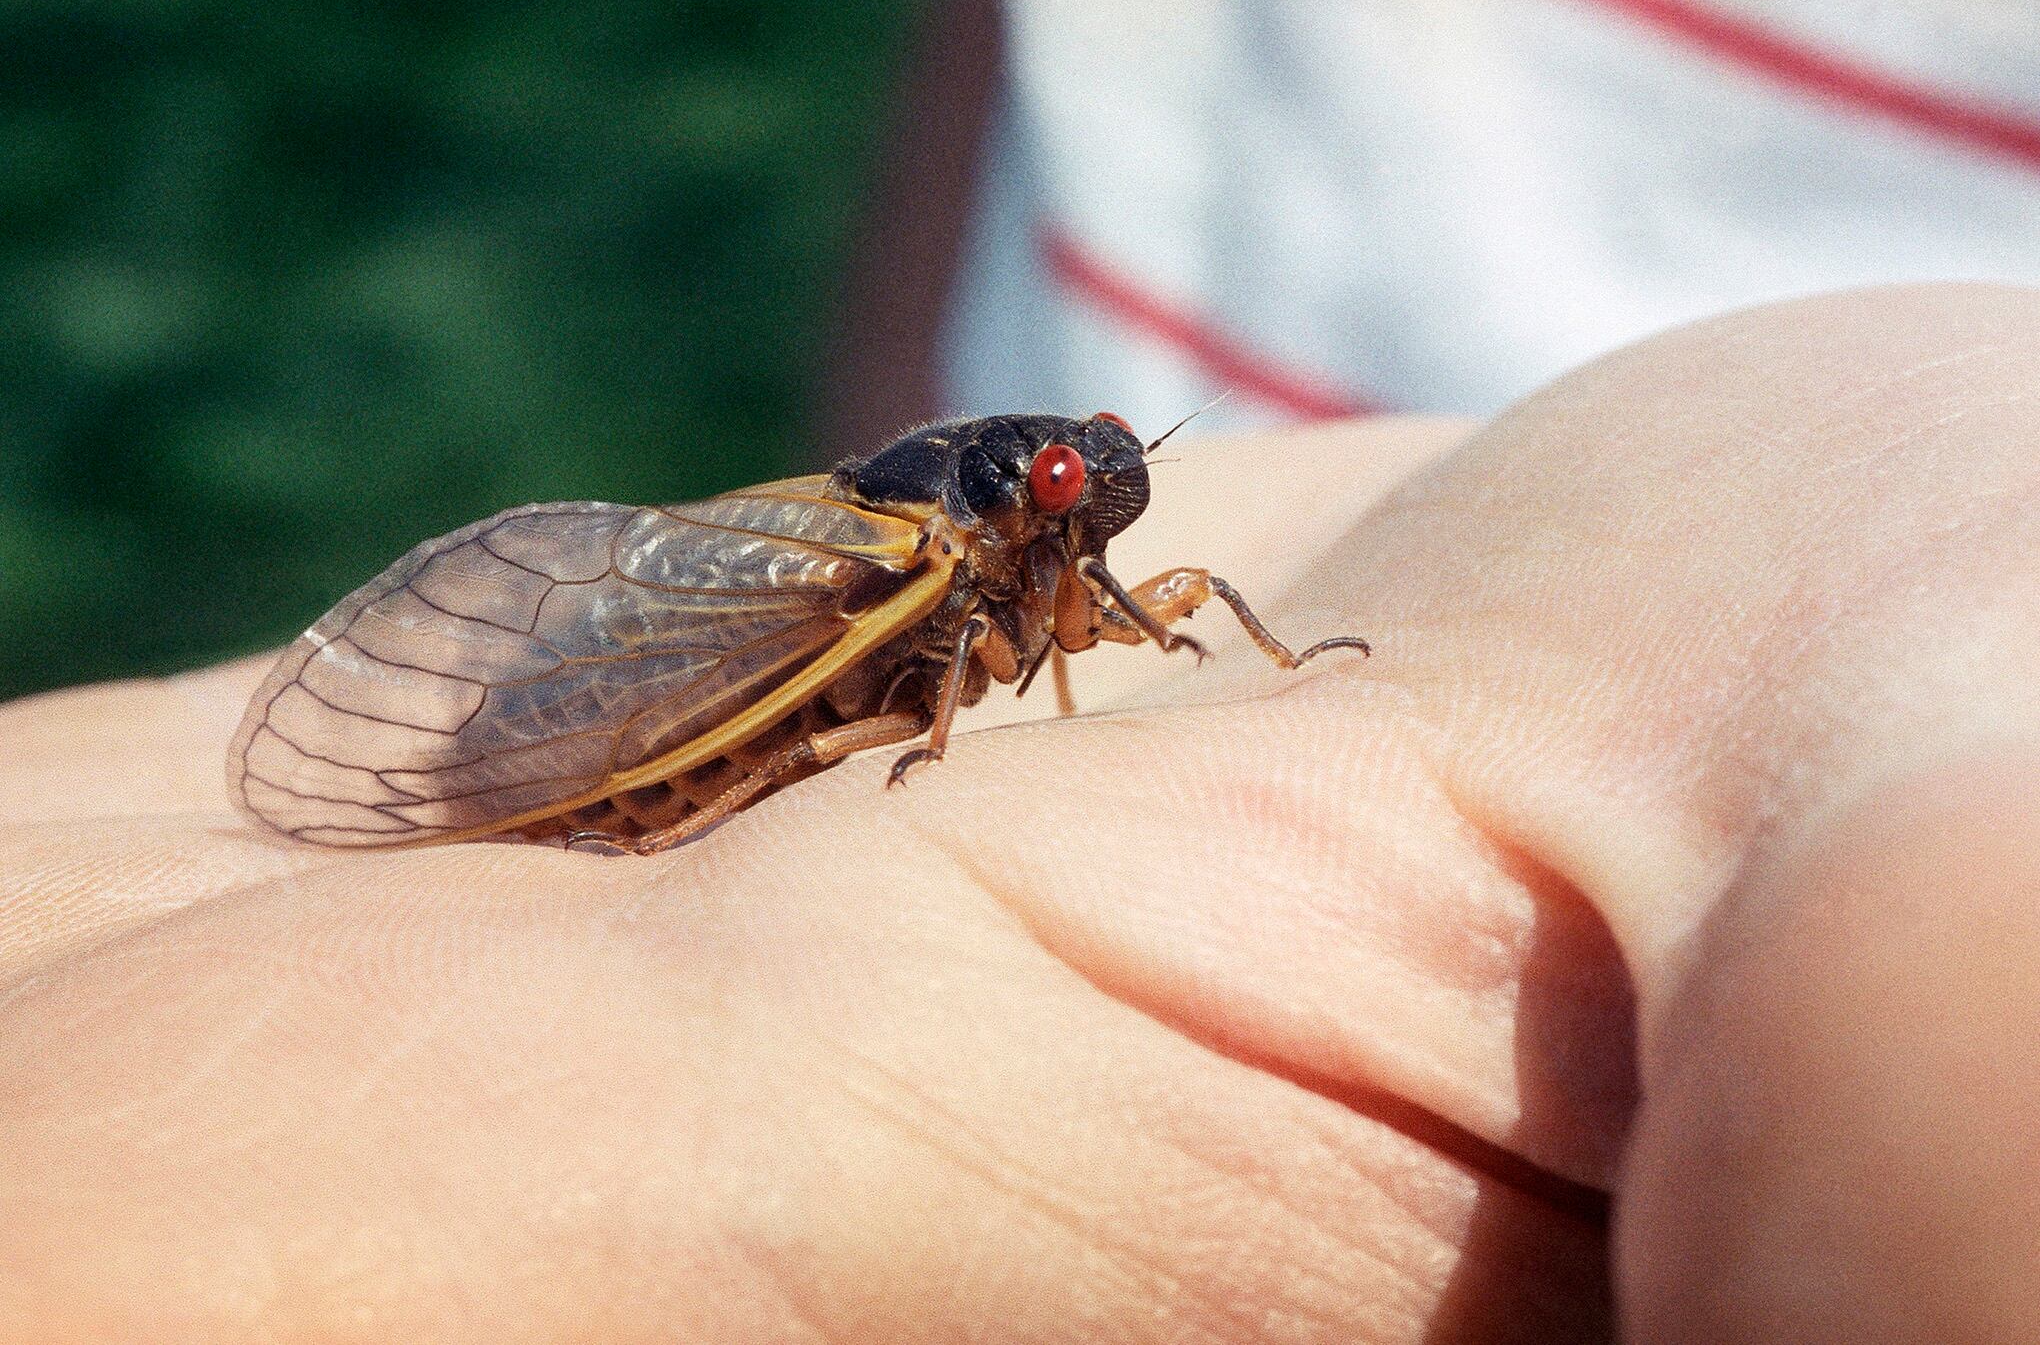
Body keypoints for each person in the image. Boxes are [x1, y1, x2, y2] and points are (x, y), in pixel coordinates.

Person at [2, 283, 2035, 1341]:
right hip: (766, 628)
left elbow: (1143, 597)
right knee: (769, 684)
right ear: (1014, 499)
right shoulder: (919, 549)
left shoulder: (1074, 547)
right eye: (1071, 491)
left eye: (1105, 484)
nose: (1107, 504)